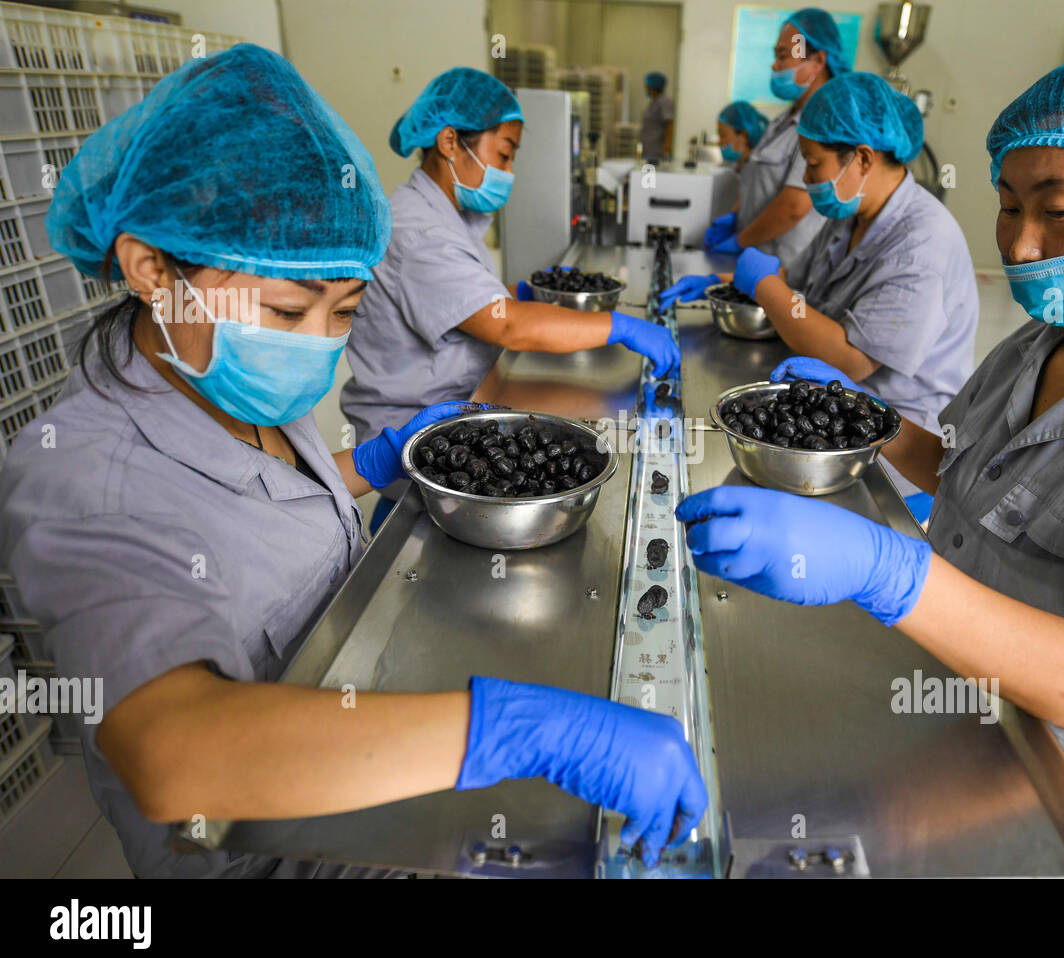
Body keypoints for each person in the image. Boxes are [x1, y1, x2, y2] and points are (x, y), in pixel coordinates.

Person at [0, 45, 705, 878]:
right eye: (290, 309)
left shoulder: (232, 387)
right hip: (273, 846)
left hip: (356, 747)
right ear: (153, 270)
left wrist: (369, 463)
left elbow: (254, 508)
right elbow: (169, 748)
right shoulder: (81, 478)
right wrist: (516, 731)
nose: (319, 345)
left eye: (344, 310)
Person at [677, 34, 1064, 864]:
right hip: (950, 668)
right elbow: (960, 470)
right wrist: (870, 418)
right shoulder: (1041, 345)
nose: (1019, 245)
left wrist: (886, 568)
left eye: (1059, 208)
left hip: (1056, 758)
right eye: (1008, 204)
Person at [340, 68, 678, 530]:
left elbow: (481, 306)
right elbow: (508, 326)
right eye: (504, 154)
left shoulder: (444, 216)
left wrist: (510, 295)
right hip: (415, 435)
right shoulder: (418, 230)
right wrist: (621, 326)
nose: (509, 171)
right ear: (450, 143)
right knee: (414, 529)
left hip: (461, 406)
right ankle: (394, 525)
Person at [667, 72, 976, 518]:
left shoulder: (923, 245)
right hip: (831, 415)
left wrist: (763, 284)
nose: (808, 177)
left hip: (891, 452)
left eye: (813, 164)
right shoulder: (853, 213)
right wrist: (732, 281)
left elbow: (851, 359)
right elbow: (799, 279)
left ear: (863, 159)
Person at [703, 6, 846, 260]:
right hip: (756, 255)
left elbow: (794, 206)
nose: (775, 64)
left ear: (818, 61)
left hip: (784, 267)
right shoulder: (781, 121)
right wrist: (735, 216)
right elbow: (755, 180)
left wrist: (739, 241)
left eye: (783, 55)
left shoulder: (825, 125)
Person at [717, 100, 768, 168]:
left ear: (744, 134)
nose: (719, 142)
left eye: (723, 135)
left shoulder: (760, 172)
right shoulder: (731, 168)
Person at [641, 70, 674, 163]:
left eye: (647, 85)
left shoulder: (665, 101)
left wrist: (667, 146)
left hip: (657, 151)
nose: (645, 88)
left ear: (653, 87)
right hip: (649, 150)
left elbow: (669, 124)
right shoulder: (654, 102)